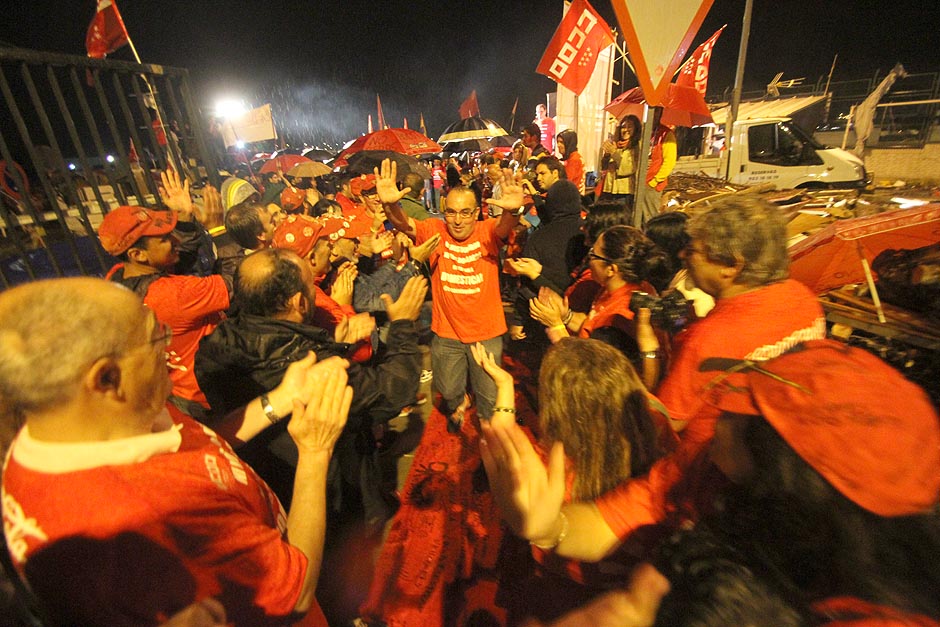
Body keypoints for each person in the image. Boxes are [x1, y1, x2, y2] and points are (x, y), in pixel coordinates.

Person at [480, 194, 827, 564]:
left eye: (696, 250)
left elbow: (668, 416)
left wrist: (550, 530)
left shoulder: (714, 336)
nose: (683, 256)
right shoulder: (801, 298)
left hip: (693, 482)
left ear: (731, 265)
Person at [0, 277, 353, 627]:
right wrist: (315, 451)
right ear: (106, 379)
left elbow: (196, 445)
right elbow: (298, 592)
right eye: (157, 337)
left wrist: (280, 399)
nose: (169, 349)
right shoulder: (146, 514)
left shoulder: (84, 422)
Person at [474, 339, 666, 625]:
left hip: (564, 583)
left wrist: (504, 387)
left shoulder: (553, 470)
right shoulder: (658, 431)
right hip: (628, 584)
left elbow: (503, 446)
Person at [377, 160, 524, 422]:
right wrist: (389, 205)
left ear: (477, 212)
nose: (457, 220)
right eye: (451, 212)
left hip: (486, 332)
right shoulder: (434, 230)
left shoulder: (487, 230)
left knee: (489, 396)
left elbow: (504, 226)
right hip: (446, 331)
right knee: (447, 388)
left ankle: (488, 434)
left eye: (465, 212)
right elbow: (404, 224)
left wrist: (513, 211)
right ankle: (461, 400)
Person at [99, 204, 228, 420]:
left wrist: (185, 221)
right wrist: (218, 231)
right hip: (208, 394)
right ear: (137, 254)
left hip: (177, 390)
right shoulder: (172, 295)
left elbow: (177, 259)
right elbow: (238, 281)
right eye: (165, 239)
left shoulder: (118, 278)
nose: (175, 241)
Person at [528, 225, 667, 389]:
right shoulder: (616, 290)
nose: (588, 261)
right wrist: (567, 316)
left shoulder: (622, 315)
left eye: (593, 255)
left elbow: (591, 372)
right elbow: (592, 325)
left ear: (611, 269)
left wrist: (555, 326)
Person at [637, 109, 677, 225]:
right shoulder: (644, 132)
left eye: (656, 112)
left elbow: (669, 162)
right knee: (638, 218)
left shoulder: (666, 134)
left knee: (649, 218)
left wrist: (654, 182)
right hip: (639, 183)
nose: (653, 115)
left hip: (651, 185)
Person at [600, 115, 640, 204]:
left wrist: (614, 153)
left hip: (624, 191)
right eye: (623, 127)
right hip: (609, 188)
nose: (626, 130)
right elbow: (604, 167)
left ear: (635, 129)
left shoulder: (635, 147)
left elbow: (628, 168)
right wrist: (606, 156)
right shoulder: (615, 144)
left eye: (630, 127)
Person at [556, 129, 585, 194]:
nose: (558, 145)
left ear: (569, 143)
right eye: (557, 142)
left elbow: (565, 184)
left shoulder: (574, 160)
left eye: (562, 142)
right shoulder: (575, 157)